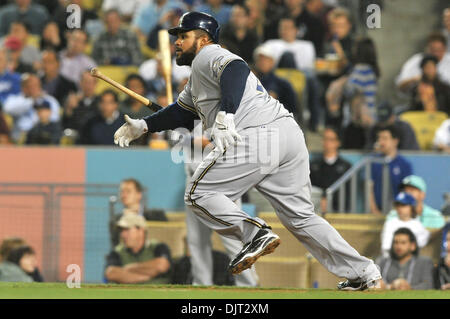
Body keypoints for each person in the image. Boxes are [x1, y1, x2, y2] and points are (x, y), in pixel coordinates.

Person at [113, 11, 382, 291]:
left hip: (257, 134)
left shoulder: (209, 55)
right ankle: (364, 272)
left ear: (203, 39)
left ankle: (256, 234)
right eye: (177, 37)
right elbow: (180, 112)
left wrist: (226, 113)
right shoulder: (198, 79)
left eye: (184, 36)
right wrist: (144, 126)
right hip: (287, 134)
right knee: (301, 218)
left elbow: (236, 68)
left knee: (198, 193)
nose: (177, 42)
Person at [183, 132, 258, 287]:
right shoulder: (189, 111)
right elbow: (181, 134)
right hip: (194, 181)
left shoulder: (227, 110)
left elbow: (233, 142)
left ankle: (249, 285)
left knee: (234, 237)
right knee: (197, 240)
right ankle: (201, 284)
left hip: (222, 181)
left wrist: (204, 142)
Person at [263, 18, 319, 131]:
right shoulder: (271, 44)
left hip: (300, 77)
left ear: (296, 30)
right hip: (277, 77)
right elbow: (266, 64)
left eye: (288, 28)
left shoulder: (306, 45)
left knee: (312, 81)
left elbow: (308, 66)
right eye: (282, 28)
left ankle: (313, 122)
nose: (285, 31)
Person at [104, 214, 172, 284]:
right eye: (121, 230)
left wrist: (128, 268)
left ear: (141, 230)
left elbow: (162, 266)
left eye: (127, 229)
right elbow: (111, 273)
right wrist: (146, 277)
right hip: (127, 294)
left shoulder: (158, 247)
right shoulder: (117, 252)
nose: (122, 235)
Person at [110, 178, 168, 247]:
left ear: (139, 194)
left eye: (128, 191)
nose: (124, 195)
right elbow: (116, 246)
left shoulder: (157, 216)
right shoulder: (116, 221)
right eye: (122, 192)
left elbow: (167, 236)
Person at [3, 73, 60, 142]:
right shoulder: (16, 99)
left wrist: (45, 118)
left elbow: (55, 118)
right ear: (23, 87)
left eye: (36, 85)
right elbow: (8, 109)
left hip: (44, 135)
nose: (34, 88)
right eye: (30, 86)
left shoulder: (49, 100)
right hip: (22, 137)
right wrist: (31, 100)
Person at [370, 125, 413, 215]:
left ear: (395, 141)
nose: (381, 142)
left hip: (397, 212)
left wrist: (399, 210)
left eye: (385, 138)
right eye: (379, 138)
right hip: (377, 211)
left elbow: (407, 190)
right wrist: (374, 210)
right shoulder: (373, 162)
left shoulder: (404, 164)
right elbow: (369, 187)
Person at [310, 126, 351, 213]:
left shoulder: (346, 167)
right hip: (315, 210)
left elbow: (346, 194)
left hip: (338, 211)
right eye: (325, 139)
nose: (327, 143)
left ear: (338, 142)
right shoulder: (313, 166)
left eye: (331, 139)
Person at [252, 44, 298, 115]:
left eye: (266, 60)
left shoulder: (283, 84)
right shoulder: (248, 81)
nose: (262, 62)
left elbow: (292, 108)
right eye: (260, 59)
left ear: (272, 62)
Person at [380, 192, 430, 258]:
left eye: (403, 205)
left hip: (412, 261)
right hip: (392, 259)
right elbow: (386, 248)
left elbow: (418, 247)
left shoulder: (418, 225)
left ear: (411, 207)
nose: (400, 208)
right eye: (398, 205)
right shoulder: (390, 223)